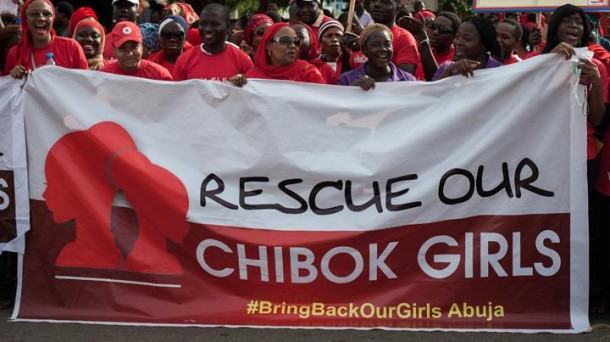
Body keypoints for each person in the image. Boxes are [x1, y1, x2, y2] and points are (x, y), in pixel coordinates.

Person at [172, 3, 252, 85]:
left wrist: (240, 83)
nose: (208, 29)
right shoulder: (184, 60)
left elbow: (252, 93)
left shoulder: (243, 60)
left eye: (215, 24)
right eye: (203, 24)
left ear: (227, 27)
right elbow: (177, 94)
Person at [4, 0, 87, 78]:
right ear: (25, 19)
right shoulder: (15, 53)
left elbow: (85, 84)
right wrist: (12, 77)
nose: (41, 18)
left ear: (53, 18)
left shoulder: (72, 47)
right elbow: (8, 90)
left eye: (46, 14)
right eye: (34, 14)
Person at [338, 23, 415, 90]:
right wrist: (352, 90)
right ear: (364, 50)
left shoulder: (408, 80)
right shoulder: (346, 80)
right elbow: (338, 104)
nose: (383, 49)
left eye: (387, 44)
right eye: (376, 45)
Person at [246, 22, 325, 84]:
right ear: (269, 46)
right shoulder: (253, 77)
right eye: (285, 40)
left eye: (296, 42)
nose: (292, 46)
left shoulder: (309, 73)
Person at [432, 16, 503, 80]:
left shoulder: (499, 72)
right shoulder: (446, 68)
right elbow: (431, 93)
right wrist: (450, 71)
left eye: (466, 39)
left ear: (484, 45)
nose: (458, 42)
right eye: (457, 36)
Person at [399, 11, 461, 80]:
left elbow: (435, 80)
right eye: (433, 26)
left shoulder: (456, 60)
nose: (435, 32)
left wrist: (423, 38)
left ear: (455, 36)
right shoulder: (420, 54)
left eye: (443, 30)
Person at [100, 21, 172, 81]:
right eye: (122, 48)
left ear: (142, 47)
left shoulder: (160, 75)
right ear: (114, 50)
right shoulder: (103, 76)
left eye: (134, 47)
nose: (129, 54)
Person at [368, 0, 419, 75]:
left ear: (397, 9)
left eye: (385, 2)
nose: (377, 5)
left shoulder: (404, 38)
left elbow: (404, 80)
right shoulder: (362, 37)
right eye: (374, 1)